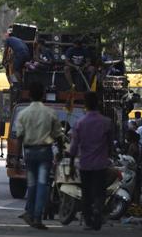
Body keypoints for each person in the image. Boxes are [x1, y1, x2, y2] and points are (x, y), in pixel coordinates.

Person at [15, 81, 62, 230]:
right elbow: (58, 135)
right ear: (43, 95)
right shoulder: (50, 113)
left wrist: (17, 158)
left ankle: (30, 212)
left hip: (29, 152)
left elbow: (19, 138)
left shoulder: (23, 114)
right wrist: (59, 152)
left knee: (32, 184)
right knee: (42, 184)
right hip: (44, 152)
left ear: (29, 95)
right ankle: (37, 217)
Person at [69, 92, 114, 231]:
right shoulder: (106, 122)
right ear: (98, 104)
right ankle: (98, 211)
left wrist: (71, 162)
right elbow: (110, 143)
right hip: (101, 164)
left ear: (85, 105)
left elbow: (74, 146)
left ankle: (89, 220)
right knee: (100, 192)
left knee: (86, 193)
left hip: (85, 164)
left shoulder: (80, 123)